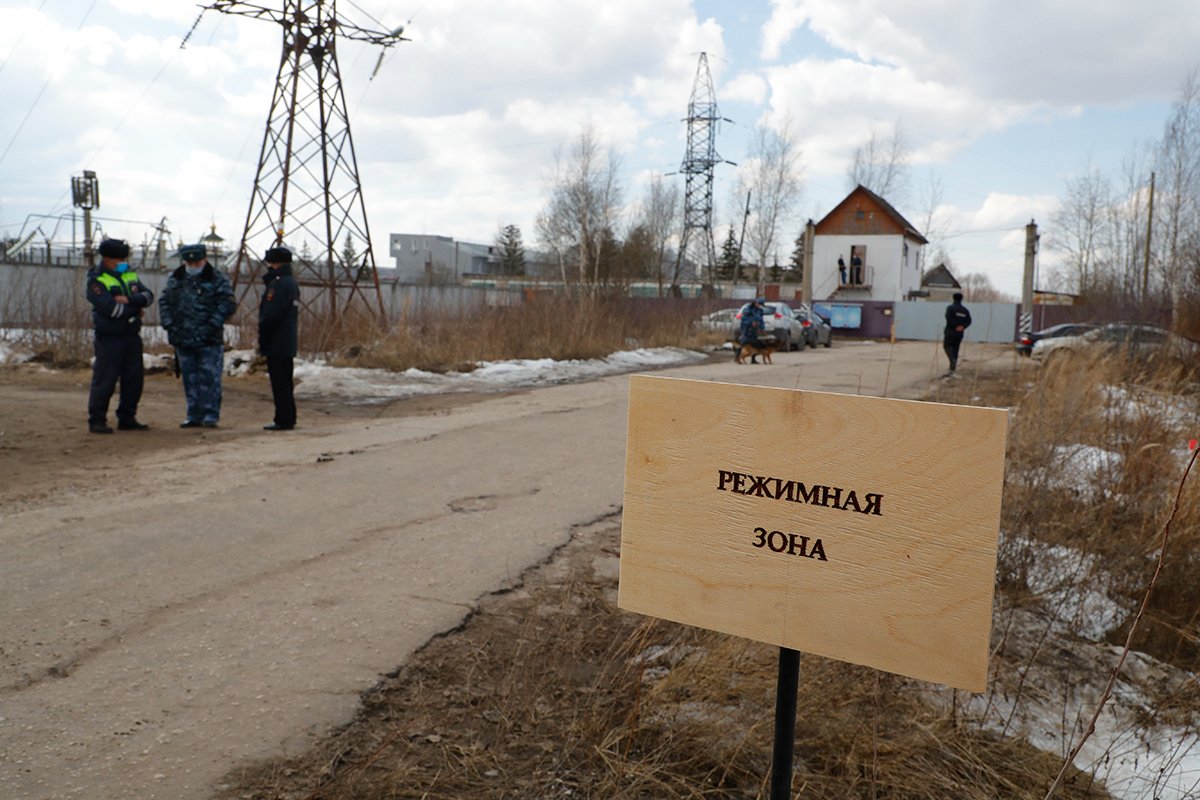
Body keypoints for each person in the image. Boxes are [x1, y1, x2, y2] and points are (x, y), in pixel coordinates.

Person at [160, 243, 237, 428]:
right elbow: (165, 302)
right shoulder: (176, 279)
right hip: (183, 337)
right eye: (190, 262)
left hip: (208, 338)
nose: (193, 266)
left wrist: (213, 324)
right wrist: (169, 324)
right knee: (189, 378)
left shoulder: (217, 279)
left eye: (196, 262)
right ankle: (193, 414)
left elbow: (228, 304)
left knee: (209, 378)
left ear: (204, 260)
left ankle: (210, 415)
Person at [85, 238, 155, 434]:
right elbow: (111, 309)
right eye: (120, 259)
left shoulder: (128, 273)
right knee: (105, 380)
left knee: (134, 379)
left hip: (131, 335)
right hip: (110, 337)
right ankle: (97, 420)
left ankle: (127, 417)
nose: (124, 262)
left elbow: (148, 295)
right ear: (108, 260)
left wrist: (131, 301)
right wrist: (136, 309)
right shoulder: (97, 280)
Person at [258, 246, 300, 431]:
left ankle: (283, 419)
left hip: (277, 340)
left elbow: (271, 314)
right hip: (286, 340)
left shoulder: (279, 284)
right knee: (285, 381)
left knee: (280, 383)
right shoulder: (290, 282)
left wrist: (263, 336)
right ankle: (286, 416)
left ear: (273, 263)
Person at [943, 291, 972, 374]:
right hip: (959, 334)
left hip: (950, 332)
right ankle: (953, 367)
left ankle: (952, 361)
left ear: (953, 298)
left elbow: (948, 318)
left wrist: (955, 326)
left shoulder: (950, 308)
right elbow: (969, 321)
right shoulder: (965, 310)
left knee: (947, 346)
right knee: (956, 349)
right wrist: (962, 326)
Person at [738, 297, 766, 364]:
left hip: (754, 329)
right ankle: (738, 357)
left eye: (761, 305)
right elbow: (744, 319)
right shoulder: (748, 309)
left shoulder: (760, 311)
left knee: (754, 344)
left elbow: (761, 320)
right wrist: (751, 322)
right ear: (756, 303)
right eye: (759, 304)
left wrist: (762, 328)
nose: (760, 306)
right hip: (747, 329)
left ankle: (753, 359)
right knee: (744, 343)